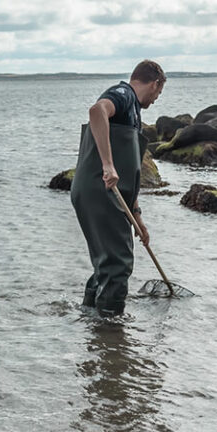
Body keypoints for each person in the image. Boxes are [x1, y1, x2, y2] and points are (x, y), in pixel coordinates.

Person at [71, 60, 166, 315]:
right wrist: (108, 164)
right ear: (155, 83)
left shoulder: (134, 111)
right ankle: (111, 332)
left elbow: (130, 173)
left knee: (106, 263)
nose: (157, 98)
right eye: (159, 92)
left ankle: (91, 319)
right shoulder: (123, 95)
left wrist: (138, 217)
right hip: (100, 189)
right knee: (118, 264)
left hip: (100, 193)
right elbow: (96, 111)